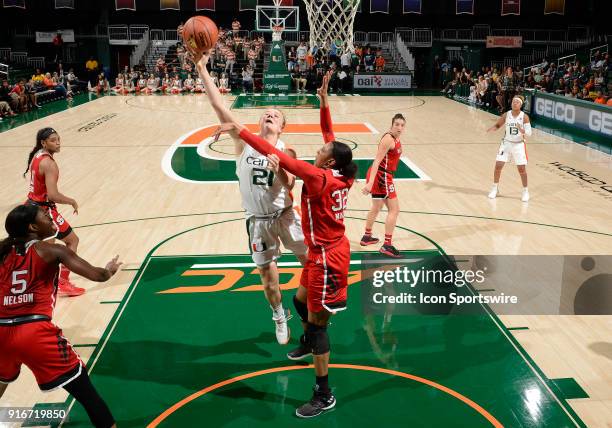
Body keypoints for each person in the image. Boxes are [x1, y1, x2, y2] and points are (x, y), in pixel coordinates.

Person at [213, 72, 357, 418]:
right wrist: (323, 101)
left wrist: (243, 131)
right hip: (320, 251)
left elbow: (275, 154)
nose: (319, 148)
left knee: (319, 325)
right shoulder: (342, 171)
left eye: (322, 151)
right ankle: (306, 340)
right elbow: (330, 136)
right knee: (298, 299)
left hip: (330, 259)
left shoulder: (317, 176)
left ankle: (324, 394)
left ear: (328, 161)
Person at [186, 42, 308, 345]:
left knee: (311, 261)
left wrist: (279, 167)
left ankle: (313, 306)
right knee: (269, 281)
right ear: (258, 122)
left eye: (275, 115)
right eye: (266, 113)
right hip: (258, 221)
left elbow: (291, 185)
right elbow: (220, 107)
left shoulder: (285, 149)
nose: (270, 115)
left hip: (286, 216)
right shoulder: (244, 144)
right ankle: (279, 314)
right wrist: (201, 68)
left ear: (281, 126)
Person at [0, 204, 121, 428]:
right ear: (33, 227)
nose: (51, 217)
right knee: (87, 394)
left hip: (1, 333)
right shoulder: (53, 251)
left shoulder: (2, 251)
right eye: (45, 216)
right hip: (35, 333)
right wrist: (109, 270)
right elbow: (97, 275)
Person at [23, 128, 84, 296]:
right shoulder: (49, 163)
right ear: (44, 143)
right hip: (43, 211)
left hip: (30, 205)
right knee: (72, 242)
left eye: (58, 139)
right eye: (53, 140)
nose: (58, 142)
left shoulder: (36, 155)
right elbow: (53, 195)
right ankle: (61, 282)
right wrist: (71, 201)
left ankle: (36, 281)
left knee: (42, 249)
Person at [360, 114, 406, 257]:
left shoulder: (395, 138)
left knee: (377, 206)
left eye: (402, 125)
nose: (399, 127)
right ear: (391, 125)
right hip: (382, 176)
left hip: (384, 175)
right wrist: (370, 183)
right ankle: (387, 245)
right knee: (394, 210)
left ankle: (367, 237)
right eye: (397, 124)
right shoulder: (388, 139)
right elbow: (376, 161)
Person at [487, 96, 532, 202]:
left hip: (519, 144)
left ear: (520, 105)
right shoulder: (506, 114)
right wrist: (493, 128)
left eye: (517, 102)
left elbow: (529, 133)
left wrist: (522, 130)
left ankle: (525, 191)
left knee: (521, 169)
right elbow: (498, 124)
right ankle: (495, 188)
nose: (514, 103)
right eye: (513, 101)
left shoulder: (524, 117)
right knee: (498, 165)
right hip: (506, 143)